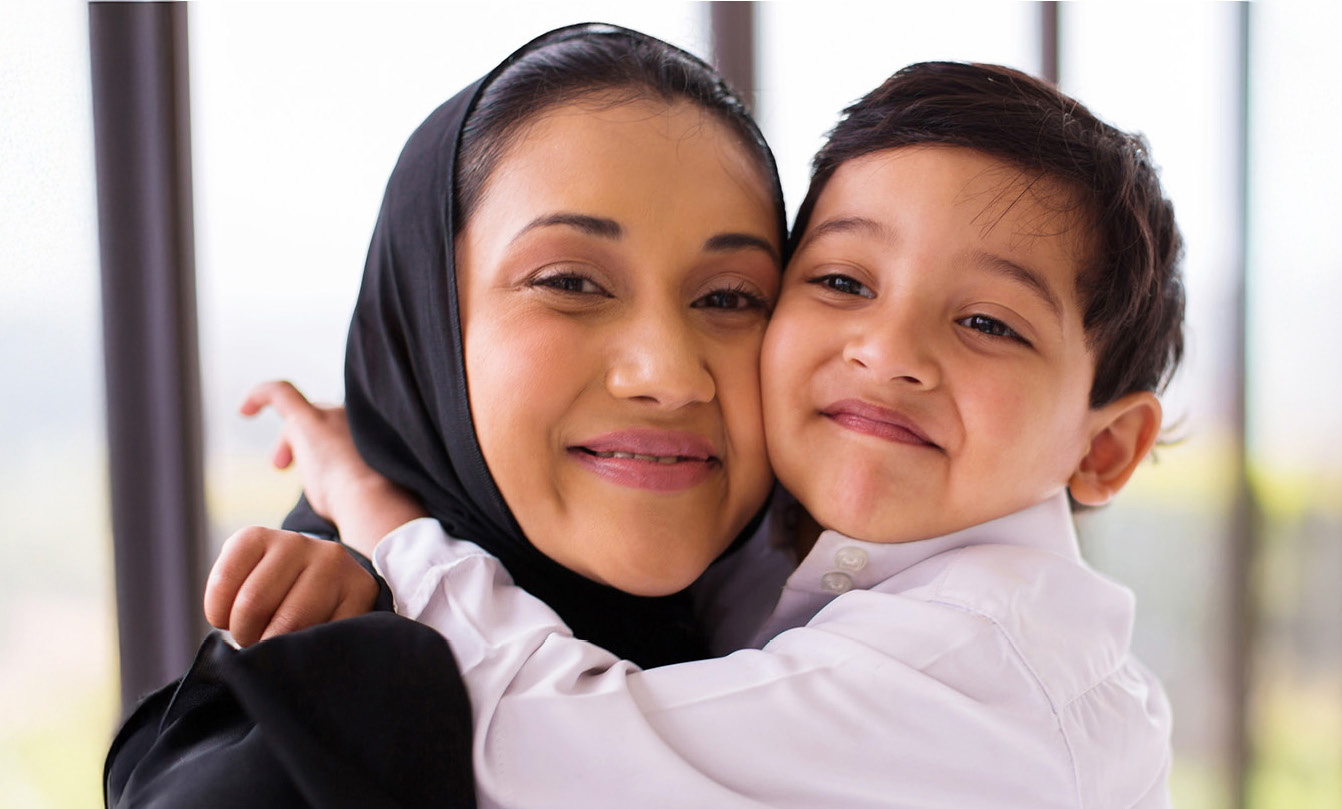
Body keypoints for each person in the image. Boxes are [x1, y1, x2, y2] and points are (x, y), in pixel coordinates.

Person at [214, 61, 1185, 807]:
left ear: (1103, 448)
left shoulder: (979, 662)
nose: (889, 352)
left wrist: (381, 513)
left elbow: (554, 743)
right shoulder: (767, 546)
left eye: (988, 323)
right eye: (844, 281)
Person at [104, 23, 788, 809]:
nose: (669, 375)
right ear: (424, 322)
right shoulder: (304, 739)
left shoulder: (833, 644)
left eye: (730, 297)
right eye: (570, 281)